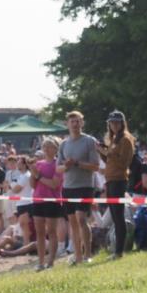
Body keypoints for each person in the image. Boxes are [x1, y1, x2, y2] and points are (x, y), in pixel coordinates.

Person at [57, 111, 101, 264]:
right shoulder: (63, 144)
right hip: (68, 186)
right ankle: (78, 256)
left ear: (82, 123)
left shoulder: (89, 141)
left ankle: (88, 254)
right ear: (67, 124)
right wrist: (67, 166)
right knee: (73, 222)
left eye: (78, 121)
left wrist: (77, 163)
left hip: (85, 185)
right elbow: (58, 169)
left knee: (81, 219)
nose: (75, 124)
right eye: (72, 122)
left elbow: (95, 166)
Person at [98, 110, 135, 259]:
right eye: (112, 122)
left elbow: (124, 162)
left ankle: (119, 251)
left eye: (117, 122)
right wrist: (103, 151)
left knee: (118, 217)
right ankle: (117, 250)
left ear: (122, 123)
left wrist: (107, 153)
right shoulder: (115, 140)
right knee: (114, 216)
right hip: (111, 180)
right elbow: (110, 161)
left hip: (119, 180)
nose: (114, 125)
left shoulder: (126, 139)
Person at [31, 138, 64, 270]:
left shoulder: (58, 164)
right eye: (45, 146)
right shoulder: (38, 164)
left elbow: (54, 184)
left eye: (50, 146)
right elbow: (33, 185)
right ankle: (40, 262)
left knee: (51, 231)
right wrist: (32, 173)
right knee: (39, 232)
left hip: (52, 200)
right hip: (38, 199)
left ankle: (50, 262)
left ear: (56, 149)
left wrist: (38, 176)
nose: (46, 149)